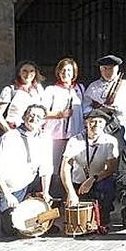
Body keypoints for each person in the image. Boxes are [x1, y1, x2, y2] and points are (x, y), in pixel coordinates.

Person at [0, 104, 53, 237]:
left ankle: (45, 222)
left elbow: (46, 168)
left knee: (57, 184)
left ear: (44, 121)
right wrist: (7, 194)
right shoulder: (9, 138)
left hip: (32, 182)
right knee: (10, 230)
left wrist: (46, 192)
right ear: (24, 117)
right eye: (31, 115)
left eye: (39, 116)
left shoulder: (45, 138)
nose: (34, 118)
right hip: (12, 188)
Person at [60, 109, 119, 229]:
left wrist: (93, 179)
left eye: (100, 122)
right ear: (86, 123)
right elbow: (65, 168)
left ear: (104, 124)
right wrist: (70, 192)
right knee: (77, 217)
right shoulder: (75, 140)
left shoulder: (111, 141)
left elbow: (111, 168)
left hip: (99, 181)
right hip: (79, 183)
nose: (96, 125)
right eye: (92, 121)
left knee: (109, 185)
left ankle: (105, 212)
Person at [42, 58, 85, 195]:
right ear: (58, 72)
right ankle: (55, 196)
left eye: (69, 70)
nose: (66, 73)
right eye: (63, 70)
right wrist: (59, 114)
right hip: (56, 136)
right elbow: (41, 113)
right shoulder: (51, 90)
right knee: (55, 167)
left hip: (75, 135)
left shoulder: (79, 89)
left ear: (74, 73)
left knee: (73, 166)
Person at [82, 55, 126, 149]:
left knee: (118, 152)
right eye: (104, 68)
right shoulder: (93, 86)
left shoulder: (125, 85)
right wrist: (96, 112)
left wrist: (115, 108)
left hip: (117, 125)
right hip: (97, 126)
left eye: (111, 68)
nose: (107, 71)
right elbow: (85, 106)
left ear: (117, 69)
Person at [0, 60, 46, 135]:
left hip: (33, 132)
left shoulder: (39, 90)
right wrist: (9, 132)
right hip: (15, 130)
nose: (28, 74)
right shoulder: (10, 90)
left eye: (31, 71)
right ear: (19, 72)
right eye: (24, 71)